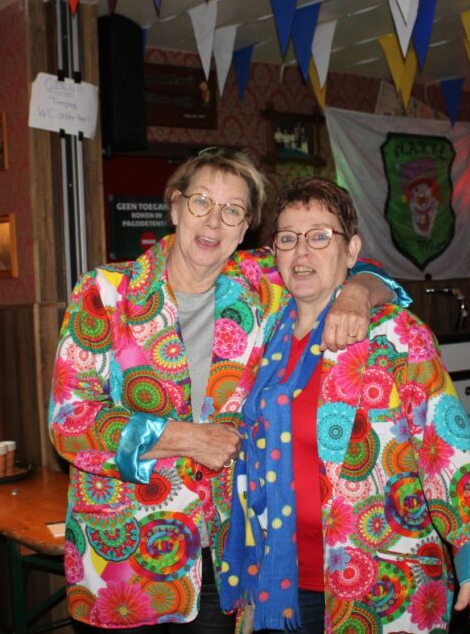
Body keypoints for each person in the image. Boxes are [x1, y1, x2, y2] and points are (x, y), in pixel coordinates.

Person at [48, 149, 399, 632]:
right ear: (175, 207)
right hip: (120, 560)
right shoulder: (106, 293)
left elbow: (348, 264)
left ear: (246, 228)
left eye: (233, 210)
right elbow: (69, 424)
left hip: (221, 557)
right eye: (201, 202)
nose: (214, 221)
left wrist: (358, 292)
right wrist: (188, 438)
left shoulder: (261, 284)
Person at [221, 178, 470, 634]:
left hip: (380, 578)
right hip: (275, 577)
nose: (301, 252)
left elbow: (446, 444)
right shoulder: (261, 329)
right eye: (287, 238)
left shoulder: (395, 334)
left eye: (320, 236)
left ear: (352, 251)